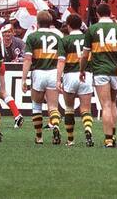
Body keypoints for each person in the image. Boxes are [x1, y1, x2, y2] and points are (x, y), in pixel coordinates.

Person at [80, 2, 117, 148]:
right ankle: (112, 134)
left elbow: (85, 54)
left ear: (97, 14)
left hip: (100, 70)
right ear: (110, 12)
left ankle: (108, 139)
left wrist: (82, 70)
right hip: (115, 70)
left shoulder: (92, 30)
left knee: (105, 105)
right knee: (113, 103)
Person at [21, 10, 64, 145]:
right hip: (52, 72)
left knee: (37, 106)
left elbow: (28, 59)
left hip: (38, 72)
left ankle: (39, 137)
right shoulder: (57, 37)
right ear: (50, 22)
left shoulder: (32, 37)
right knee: (53, 107)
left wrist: (23, 78)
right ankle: (55, 126)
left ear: (37, 23)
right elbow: (62, 59)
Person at [56, 13, 95, 147]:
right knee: (85, 109)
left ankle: (70, 139)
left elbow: (61, 61)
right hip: (85, 75)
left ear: (68, 25)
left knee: (69, 108)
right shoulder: (87, 38)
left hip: (70, 76)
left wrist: (58, 79)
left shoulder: (64, 40)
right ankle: (88, 131)